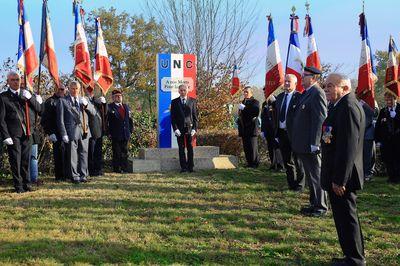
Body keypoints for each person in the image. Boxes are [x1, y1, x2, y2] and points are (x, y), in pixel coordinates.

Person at [321, 73, 366, 266]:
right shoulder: (338, 106)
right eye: (326, 86)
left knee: (347, 218)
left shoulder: (348, 107)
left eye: (331, 86)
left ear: (345, 88)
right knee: (342, 218)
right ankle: (351, 256)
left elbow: (348, 148)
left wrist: (340, 180)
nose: (326, 89)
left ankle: (355, 259)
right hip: (337, 174)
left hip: (342, 178)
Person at [291, 66, 328, 216]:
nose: (302, 77)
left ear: (313, 78)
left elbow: (320, 119)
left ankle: (321, 206)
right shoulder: (307, 93)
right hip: (303, 144)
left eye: (305, 75)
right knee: (311, 176)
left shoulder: (317, 93)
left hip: (311, 144)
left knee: (317, 175)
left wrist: (315, 142)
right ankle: (314, 203)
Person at [0, 71, 42, 193]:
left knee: (25, 160)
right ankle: (18, 186)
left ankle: (25, 183)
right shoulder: (3, 97)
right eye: (12, 80)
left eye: (17, 79)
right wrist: (5, 135)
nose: (15, 82)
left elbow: (40, 109)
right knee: (16, 161)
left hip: (27, 133)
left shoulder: (26, 95)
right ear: (8, 82)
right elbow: (1, 119)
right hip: (13, 135)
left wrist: (32, 99)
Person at [57, 81, 96, 183]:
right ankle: (74, 176)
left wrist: (87, 105)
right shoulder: (63, 101)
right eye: (72, 88)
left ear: (80, 89)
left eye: (76, 88)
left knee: (84, 153)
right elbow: (60, 120)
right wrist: (63, 133)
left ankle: (83, 175)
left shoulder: (84, 99)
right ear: (68, 89)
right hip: (71, 132)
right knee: (72, 155)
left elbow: (93, 113)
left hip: (84, 131)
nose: (74, 90)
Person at [275, 74, 305, 191]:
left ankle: (300, 184)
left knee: (298, 161)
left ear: (295, 84)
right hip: (282, 133)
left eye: (289, 82)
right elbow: (276, 115)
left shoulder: (300, 97)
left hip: (295, 134)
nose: (286, 83)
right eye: (285, 81)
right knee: (287, 161)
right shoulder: (280, 97)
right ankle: (291, 184)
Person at [41, 84, 67, 181]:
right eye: (59, 89)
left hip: (67, 132)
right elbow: (45, 120)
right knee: (59, 154)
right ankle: (59, 176)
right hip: (56, 132)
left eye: (63, 89)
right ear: (56, 89)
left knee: (66, 154)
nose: (61, 91)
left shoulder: (66, 100)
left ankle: (66, 174)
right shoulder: (50, 101)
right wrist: (50, 132)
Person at [170, 84, 198, 173]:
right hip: (179, 129)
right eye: (181, 90)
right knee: (181, 149)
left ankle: (190, 167)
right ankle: (183, 168)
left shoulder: (193, 101)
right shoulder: (174, 102)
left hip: (190, 129)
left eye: (184, 90)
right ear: (178, 91)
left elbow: (195, 117)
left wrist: (194, 129)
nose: (182, 92)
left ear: (187, 91)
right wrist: (175, 129)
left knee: (190, 148)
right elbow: (173, 118)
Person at [374, 91, 400, 184]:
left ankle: (397, 177)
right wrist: (377, 140)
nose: (388, 102)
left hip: (398, 141)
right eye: (387, 100)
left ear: (395, 99)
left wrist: (396, 117)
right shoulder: (383, 111)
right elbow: (378, 126)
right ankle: (391, 177)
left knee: (397, 159)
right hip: (386, 141)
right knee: (387, 159)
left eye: (390, 99)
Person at [107, 89, 133, 173]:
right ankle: (117, 169)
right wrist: (109, 133)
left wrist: (130, 131)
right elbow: (107, 121)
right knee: (117, 152)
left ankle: (124, 168)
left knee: (125, 152)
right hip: (115, 134)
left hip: (125, 133)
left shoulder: (126, 106)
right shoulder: (110, 107)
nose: (119, 97)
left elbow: (130, 120)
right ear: (113, 98)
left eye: (120, 96)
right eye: (116, 96)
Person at [237, 86, 260, 168]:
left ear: (251, 93)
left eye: (247, 92)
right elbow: (240, 115)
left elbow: (255, 112)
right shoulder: (243, 101)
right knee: (246, 147)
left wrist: (245, 108)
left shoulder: (255, 101)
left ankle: (254, 163)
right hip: (244, 128)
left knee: (252, 147)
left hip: (251, 127)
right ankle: (249, 162)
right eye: (244, 92)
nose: (245, 93)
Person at [86, 88, 107, 177]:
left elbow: (105, 113)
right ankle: (91, 170)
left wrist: (104, 104)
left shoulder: (97, 101)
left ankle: (98, 169)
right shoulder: (85, 100)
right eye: (88, 90)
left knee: (98, 152)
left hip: (99, 130)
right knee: (91, 152)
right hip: (90, 130)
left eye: (92, 90)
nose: (90, 92)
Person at [260, 94, 284, 171]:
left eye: (266, 92)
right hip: (267, 129)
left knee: (277, 147)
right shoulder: (264, 103)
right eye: (264, 93)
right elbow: (263, 117)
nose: (265, 94)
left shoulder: (276, 101)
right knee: (270, 147)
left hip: (275, 128)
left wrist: (274, 102)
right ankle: (273, 164)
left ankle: (280, 166)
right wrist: (262, 130)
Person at [359, 99, 378, 181]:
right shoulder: (356, 102)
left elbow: (375, 113)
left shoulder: (372, 100)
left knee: (369, 154)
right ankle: (362, 173)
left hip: (368, 132)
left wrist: (364, 104)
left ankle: (369, 173)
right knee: (360, 155)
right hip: (359, 132)